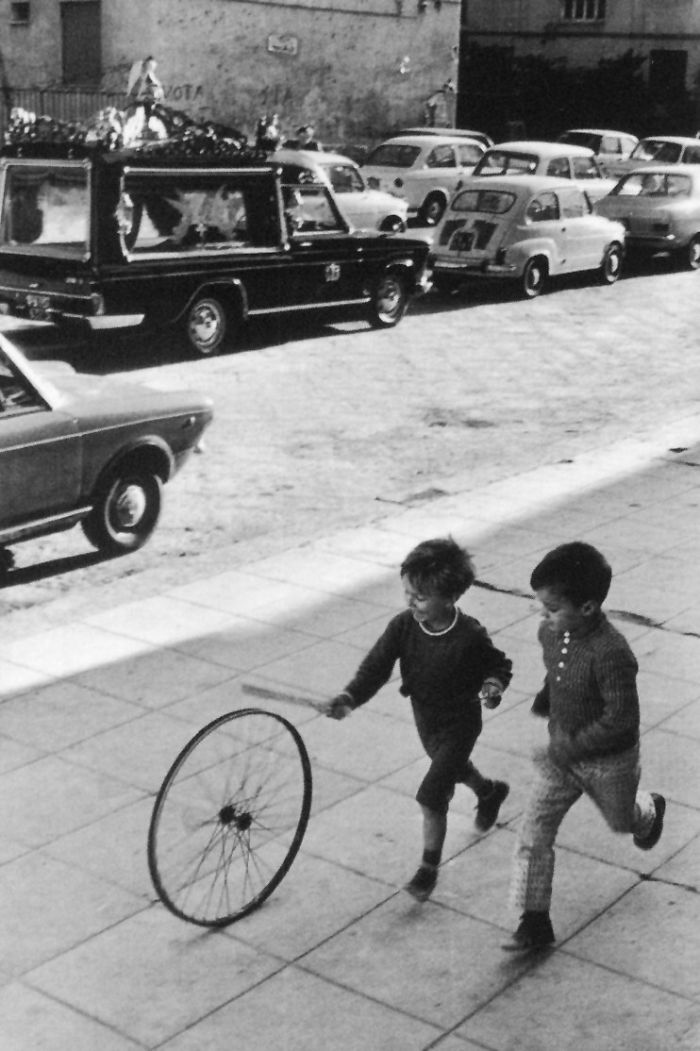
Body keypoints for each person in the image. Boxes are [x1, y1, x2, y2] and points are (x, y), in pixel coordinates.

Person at [324, 537, 512, 902]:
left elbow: (498, 665)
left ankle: (428, 869)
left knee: (431, 794)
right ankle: (489, 792)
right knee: (453, 770)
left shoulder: (469, 634)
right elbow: (375, 668)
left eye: (421, 597)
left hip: (460, 722)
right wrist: (350, 697)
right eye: (407, 593)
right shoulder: (403, 626)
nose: (411, 602)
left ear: (451, 597)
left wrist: (492, 686)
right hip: (426, 719)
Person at [503, 542, 666, 952]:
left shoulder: (612, 654)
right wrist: (547, 701)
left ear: (589, 607)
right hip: (561, 756)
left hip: (608, 761)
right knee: (534, 831)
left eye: (553, 608)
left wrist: (569, 748)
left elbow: (621, 721)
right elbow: (556, 672)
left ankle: (647, 811)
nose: (544, 616)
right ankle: (534, 920)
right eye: (542, 606)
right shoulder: (550, 632)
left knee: (621, 821)